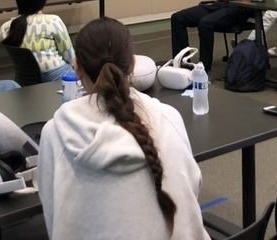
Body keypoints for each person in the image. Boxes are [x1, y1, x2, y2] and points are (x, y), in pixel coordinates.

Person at [38, 17, 210, 240]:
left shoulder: (55, 134)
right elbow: (192, 189)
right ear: (132, 65)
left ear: (77, 68)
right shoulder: (168, 117)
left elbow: (53, 218)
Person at [0, 0, 75, 82]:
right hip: (56, 76)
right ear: (43, 0)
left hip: (24, 80)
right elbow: (70, 57)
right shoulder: (53, 21)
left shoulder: (5, 28)